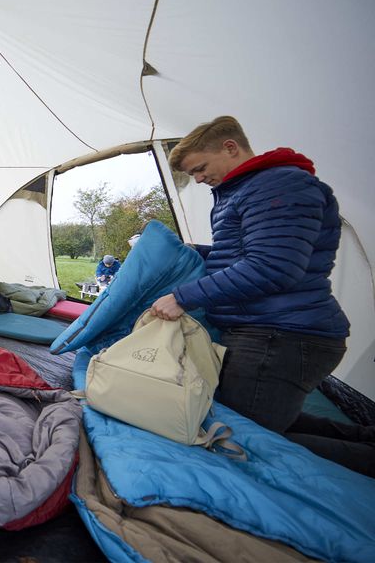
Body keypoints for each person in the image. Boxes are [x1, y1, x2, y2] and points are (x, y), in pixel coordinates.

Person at [150, 115, 374, 477]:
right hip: (270, 329)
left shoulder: (278, 185)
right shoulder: (245, 191)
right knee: (266, 422)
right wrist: (192, 252)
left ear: (230, 147)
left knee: (247, 439)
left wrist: (182, 297)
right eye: (193, 175)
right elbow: (243, 255)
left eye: (201, 168)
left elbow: (273, 266)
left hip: (281, 335)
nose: (199, 179)